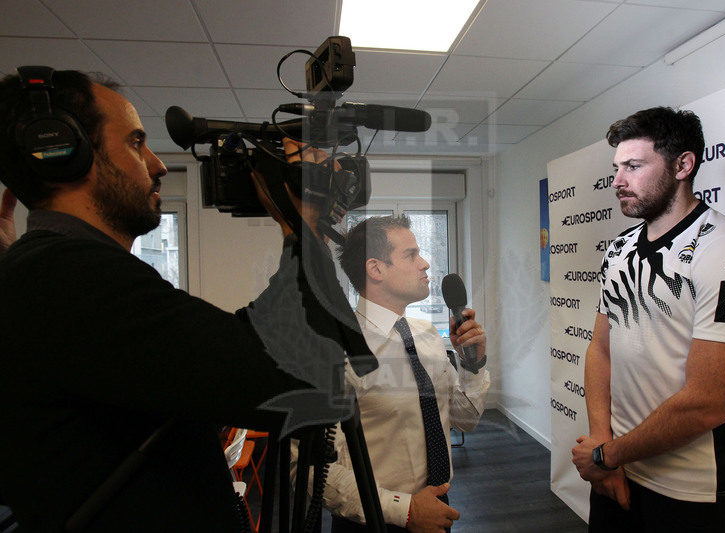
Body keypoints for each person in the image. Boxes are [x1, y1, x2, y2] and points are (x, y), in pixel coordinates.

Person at [0, 67, 358, 532]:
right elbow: (297, 379)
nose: (157, 163)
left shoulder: (48, 275)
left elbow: (235, 350)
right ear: (62, 151)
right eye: (135, 142)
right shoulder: (67, 275)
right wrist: (304, 227)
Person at [571, 107, 725, 532]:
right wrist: (602, 447)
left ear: (683, 165)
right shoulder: (621, 247)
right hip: (618, 469)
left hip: (692, 492)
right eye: (616, 168)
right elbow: (600, 349)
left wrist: (604, 456)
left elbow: (705, 404)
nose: (618, 181)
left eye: (634, 166)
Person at [299, 215, 490, 532]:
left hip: (439, 509)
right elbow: (310, 469)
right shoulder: (335, 349)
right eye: (411, 255)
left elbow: (465, 417)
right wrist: (406, 511)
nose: (425, 263)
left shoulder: (426, 333)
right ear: (375, 269)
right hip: (373, 519)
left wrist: (473, 363)